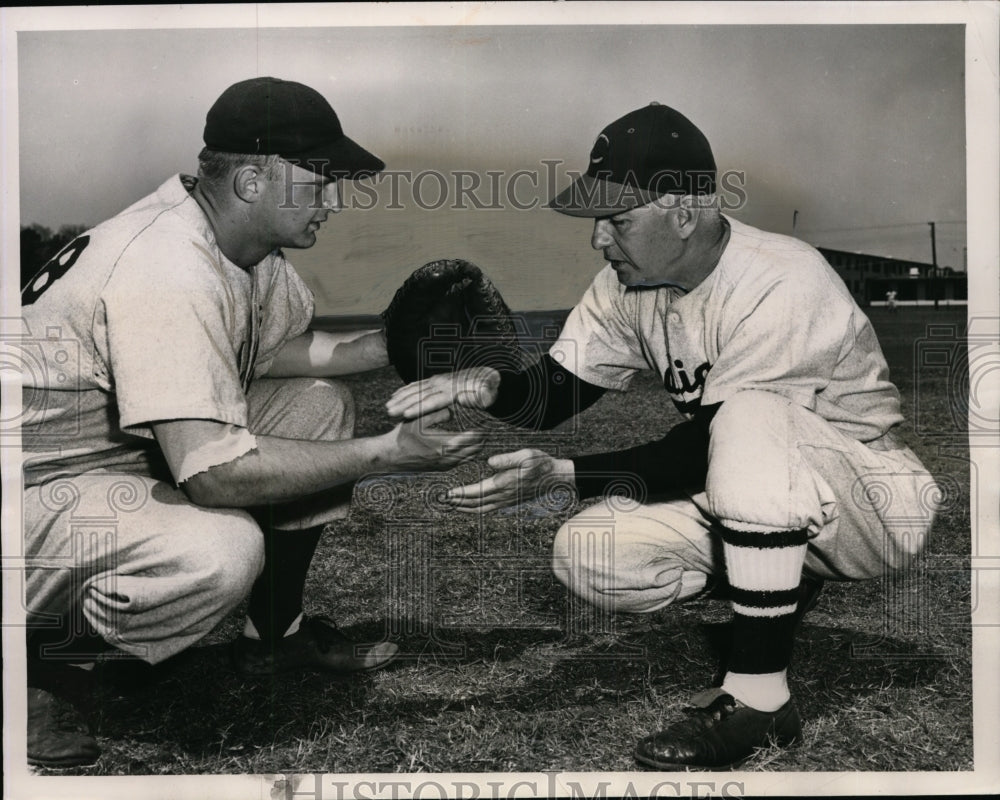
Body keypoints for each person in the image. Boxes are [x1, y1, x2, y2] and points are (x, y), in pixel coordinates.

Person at [385, 103, 938, 769]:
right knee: (588, 551)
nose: (599, 239)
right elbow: (556, 394)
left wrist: (561, 477)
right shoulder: (629, 287)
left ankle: (762, 701)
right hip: (760, 487)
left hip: (872, 500)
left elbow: (705, 445)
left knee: (748, 415)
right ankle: (775, 580)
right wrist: (487, 385)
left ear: (682, 212)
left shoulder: (782, 278)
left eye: (617, 220)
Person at [19, 76, 484, 768]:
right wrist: (386, 452)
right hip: (32, 488)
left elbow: (273, 350)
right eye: (318, 177)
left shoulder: (237, 246)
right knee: (220, 552)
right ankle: (44, 663)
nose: (332, 198)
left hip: (110, 457)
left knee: (319, 405)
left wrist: (390, 345)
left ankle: (275, 635)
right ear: (250, 181)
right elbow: (212, 476)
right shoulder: (165, 265)